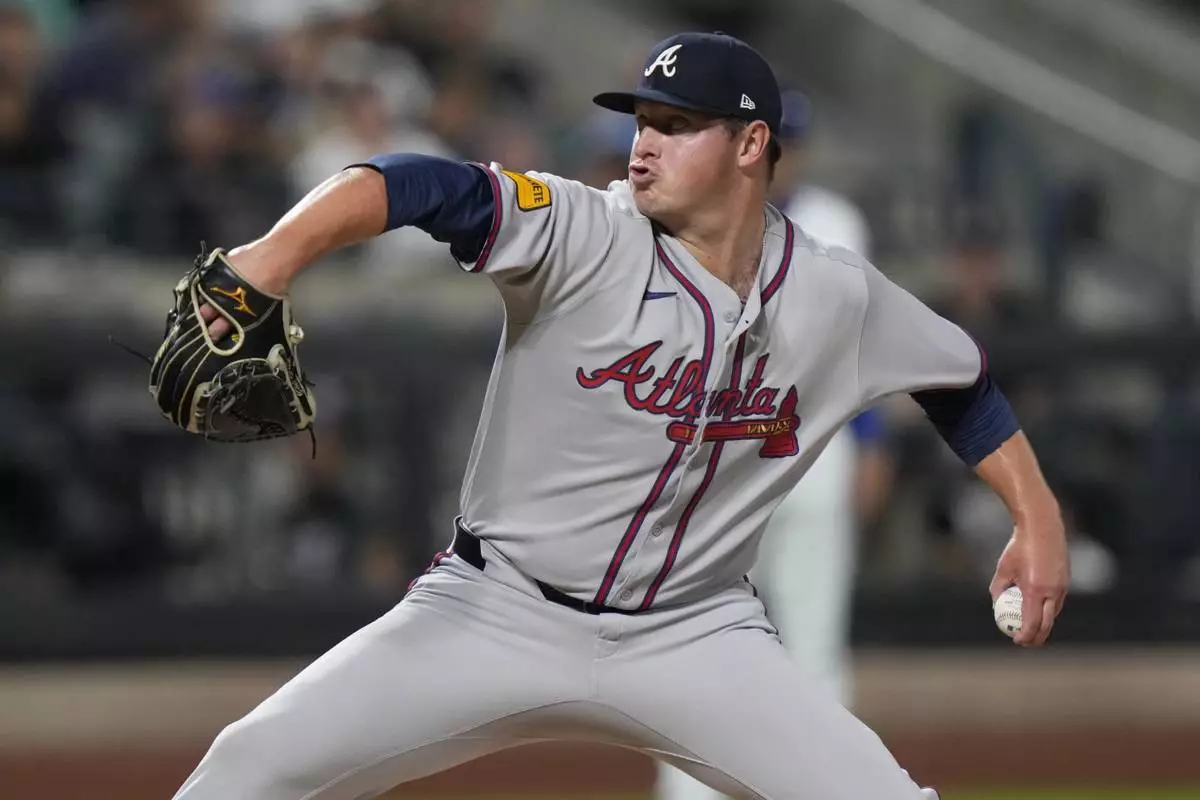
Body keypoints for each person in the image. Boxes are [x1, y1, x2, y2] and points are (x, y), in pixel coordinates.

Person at [175, 32, 1069, 800]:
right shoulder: (582, 232)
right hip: (494, 610)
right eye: (642, 122)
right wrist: (272, 256)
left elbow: (963, 384)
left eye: (675, 127)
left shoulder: (835, 293)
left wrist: (1036, 517)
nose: (643, 146)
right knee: (246, 769)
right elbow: (420, 185)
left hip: (695, 633)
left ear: (751, 142)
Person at [655, 86, 893, 800]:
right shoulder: (688, 216)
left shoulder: (835, 223)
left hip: (812, 454)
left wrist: (873, 441)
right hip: (714, 467)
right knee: (694, 650)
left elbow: (860, 344)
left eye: (793, 143)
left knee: (814, 651)